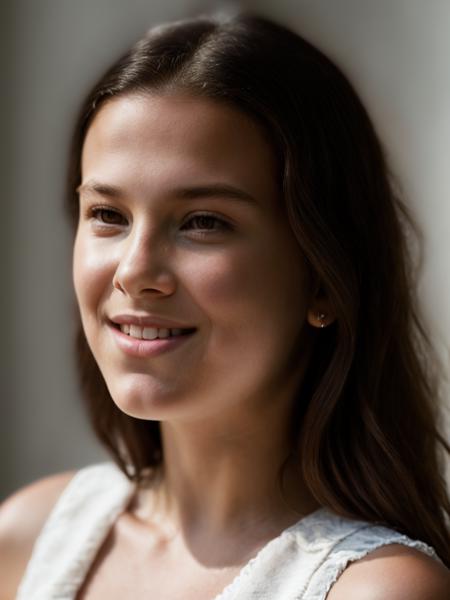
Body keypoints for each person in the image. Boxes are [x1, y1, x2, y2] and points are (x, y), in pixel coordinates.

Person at [1, 10, 449, 599]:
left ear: (322, 277)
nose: (136, 272)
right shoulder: (28, 539)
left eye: (203, 222)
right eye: (108, 215)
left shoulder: (373, 589)